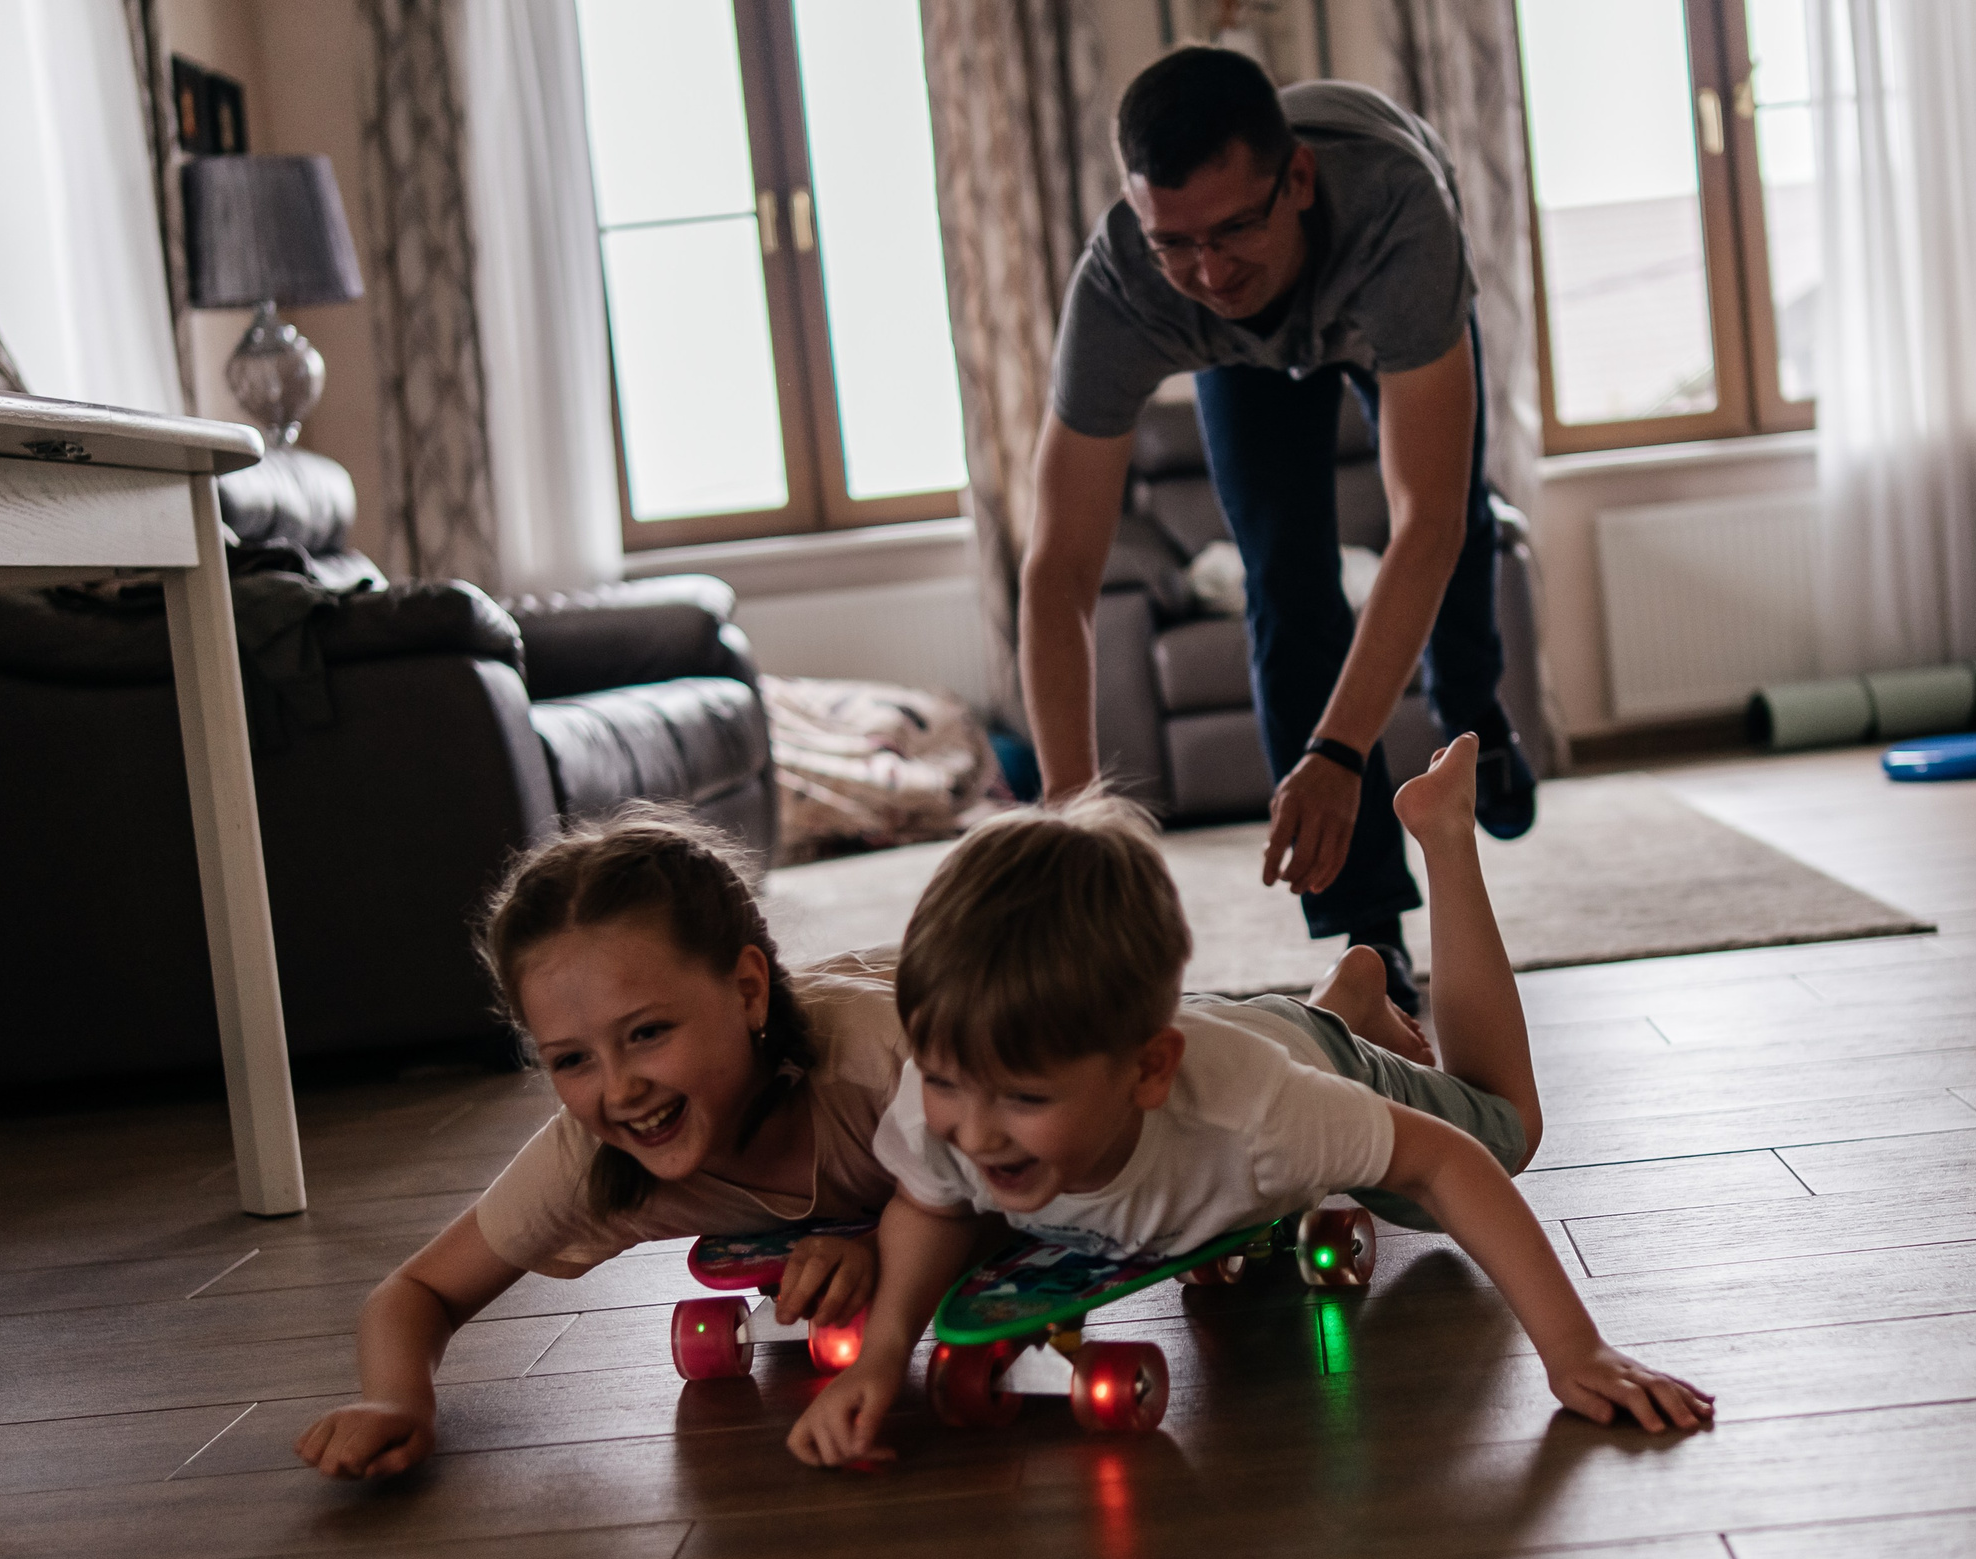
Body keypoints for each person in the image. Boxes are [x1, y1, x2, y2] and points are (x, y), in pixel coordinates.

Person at [791, 737, 1713, 1470]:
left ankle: (1441, 834)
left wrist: (1575, 1351)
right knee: (1254, 1045)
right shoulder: (949, 1087)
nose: (973, 1129)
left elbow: (1446, 1161)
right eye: (947, 1083)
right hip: (1236, 1036)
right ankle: (1347, 989)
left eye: (1023, 1099)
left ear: (1146, 1073)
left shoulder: (1264, 1122)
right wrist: (880, 1358)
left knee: (1508, 1125)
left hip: (1301, 1063)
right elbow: (928, 1199)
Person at [1018, 46, 1539, 1015]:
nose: (1208, 271)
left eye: (1231, 230)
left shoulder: (1396, 212)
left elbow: (1419, 524)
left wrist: (1340, 751)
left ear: (1295, 181)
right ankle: (1368, 928)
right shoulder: (1129, 283)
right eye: (1175, 240)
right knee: (1281, 579)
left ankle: (1476, 712)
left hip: (1385, 284)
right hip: (1248, 362)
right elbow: (1058, 573)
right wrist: (1069, 813)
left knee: (1455, 515)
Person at [295, 809, 900, 1480]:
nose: (619, 1090)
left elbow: (1030, 1174)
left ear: (748, 991)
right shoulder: (595, 1158)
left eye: (647, 1033)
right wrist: (396, 1399)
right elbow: (417, 1288)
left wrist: (881, 1250)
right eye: (572, 1060)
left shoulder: (882, 1057)